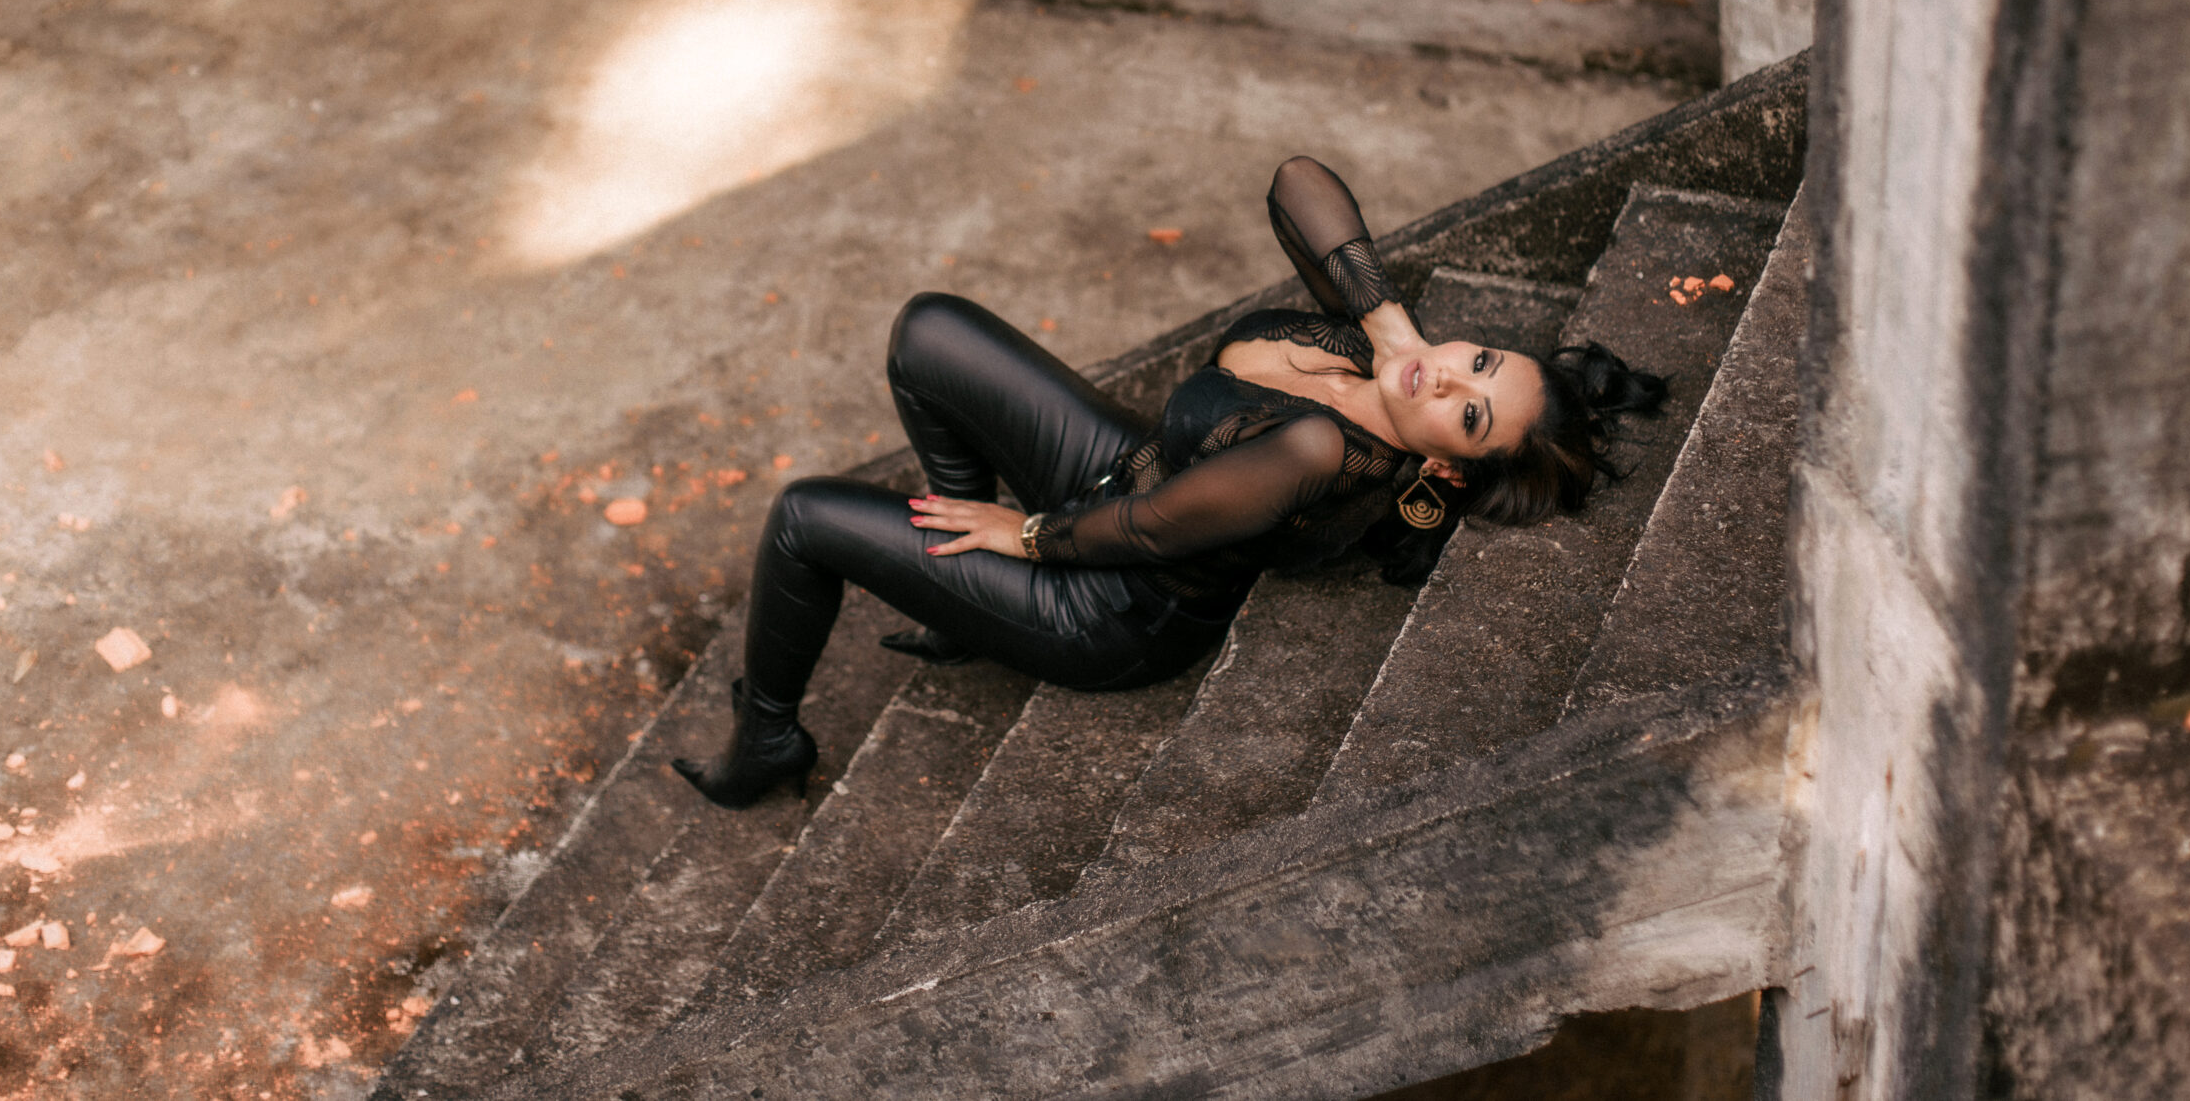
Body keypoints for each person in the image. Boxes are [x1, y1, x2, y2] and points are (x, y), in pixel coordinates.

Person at [672, 155, 1668, 808]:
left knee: (803, 517)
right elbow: (1296, 182)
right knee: (929, 328)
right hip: (1115, 466)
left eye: (1468, 412)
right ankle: (958, 614)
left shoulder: (1322, 452)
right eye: (1478, 360)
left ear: (1446, 462)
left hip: (1111, 604)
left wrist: (1023, 535)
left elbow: (1148, 530)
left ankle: (767, 738)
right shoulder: (1382, 351)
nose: (1449, 378)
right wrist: (1390, 324)